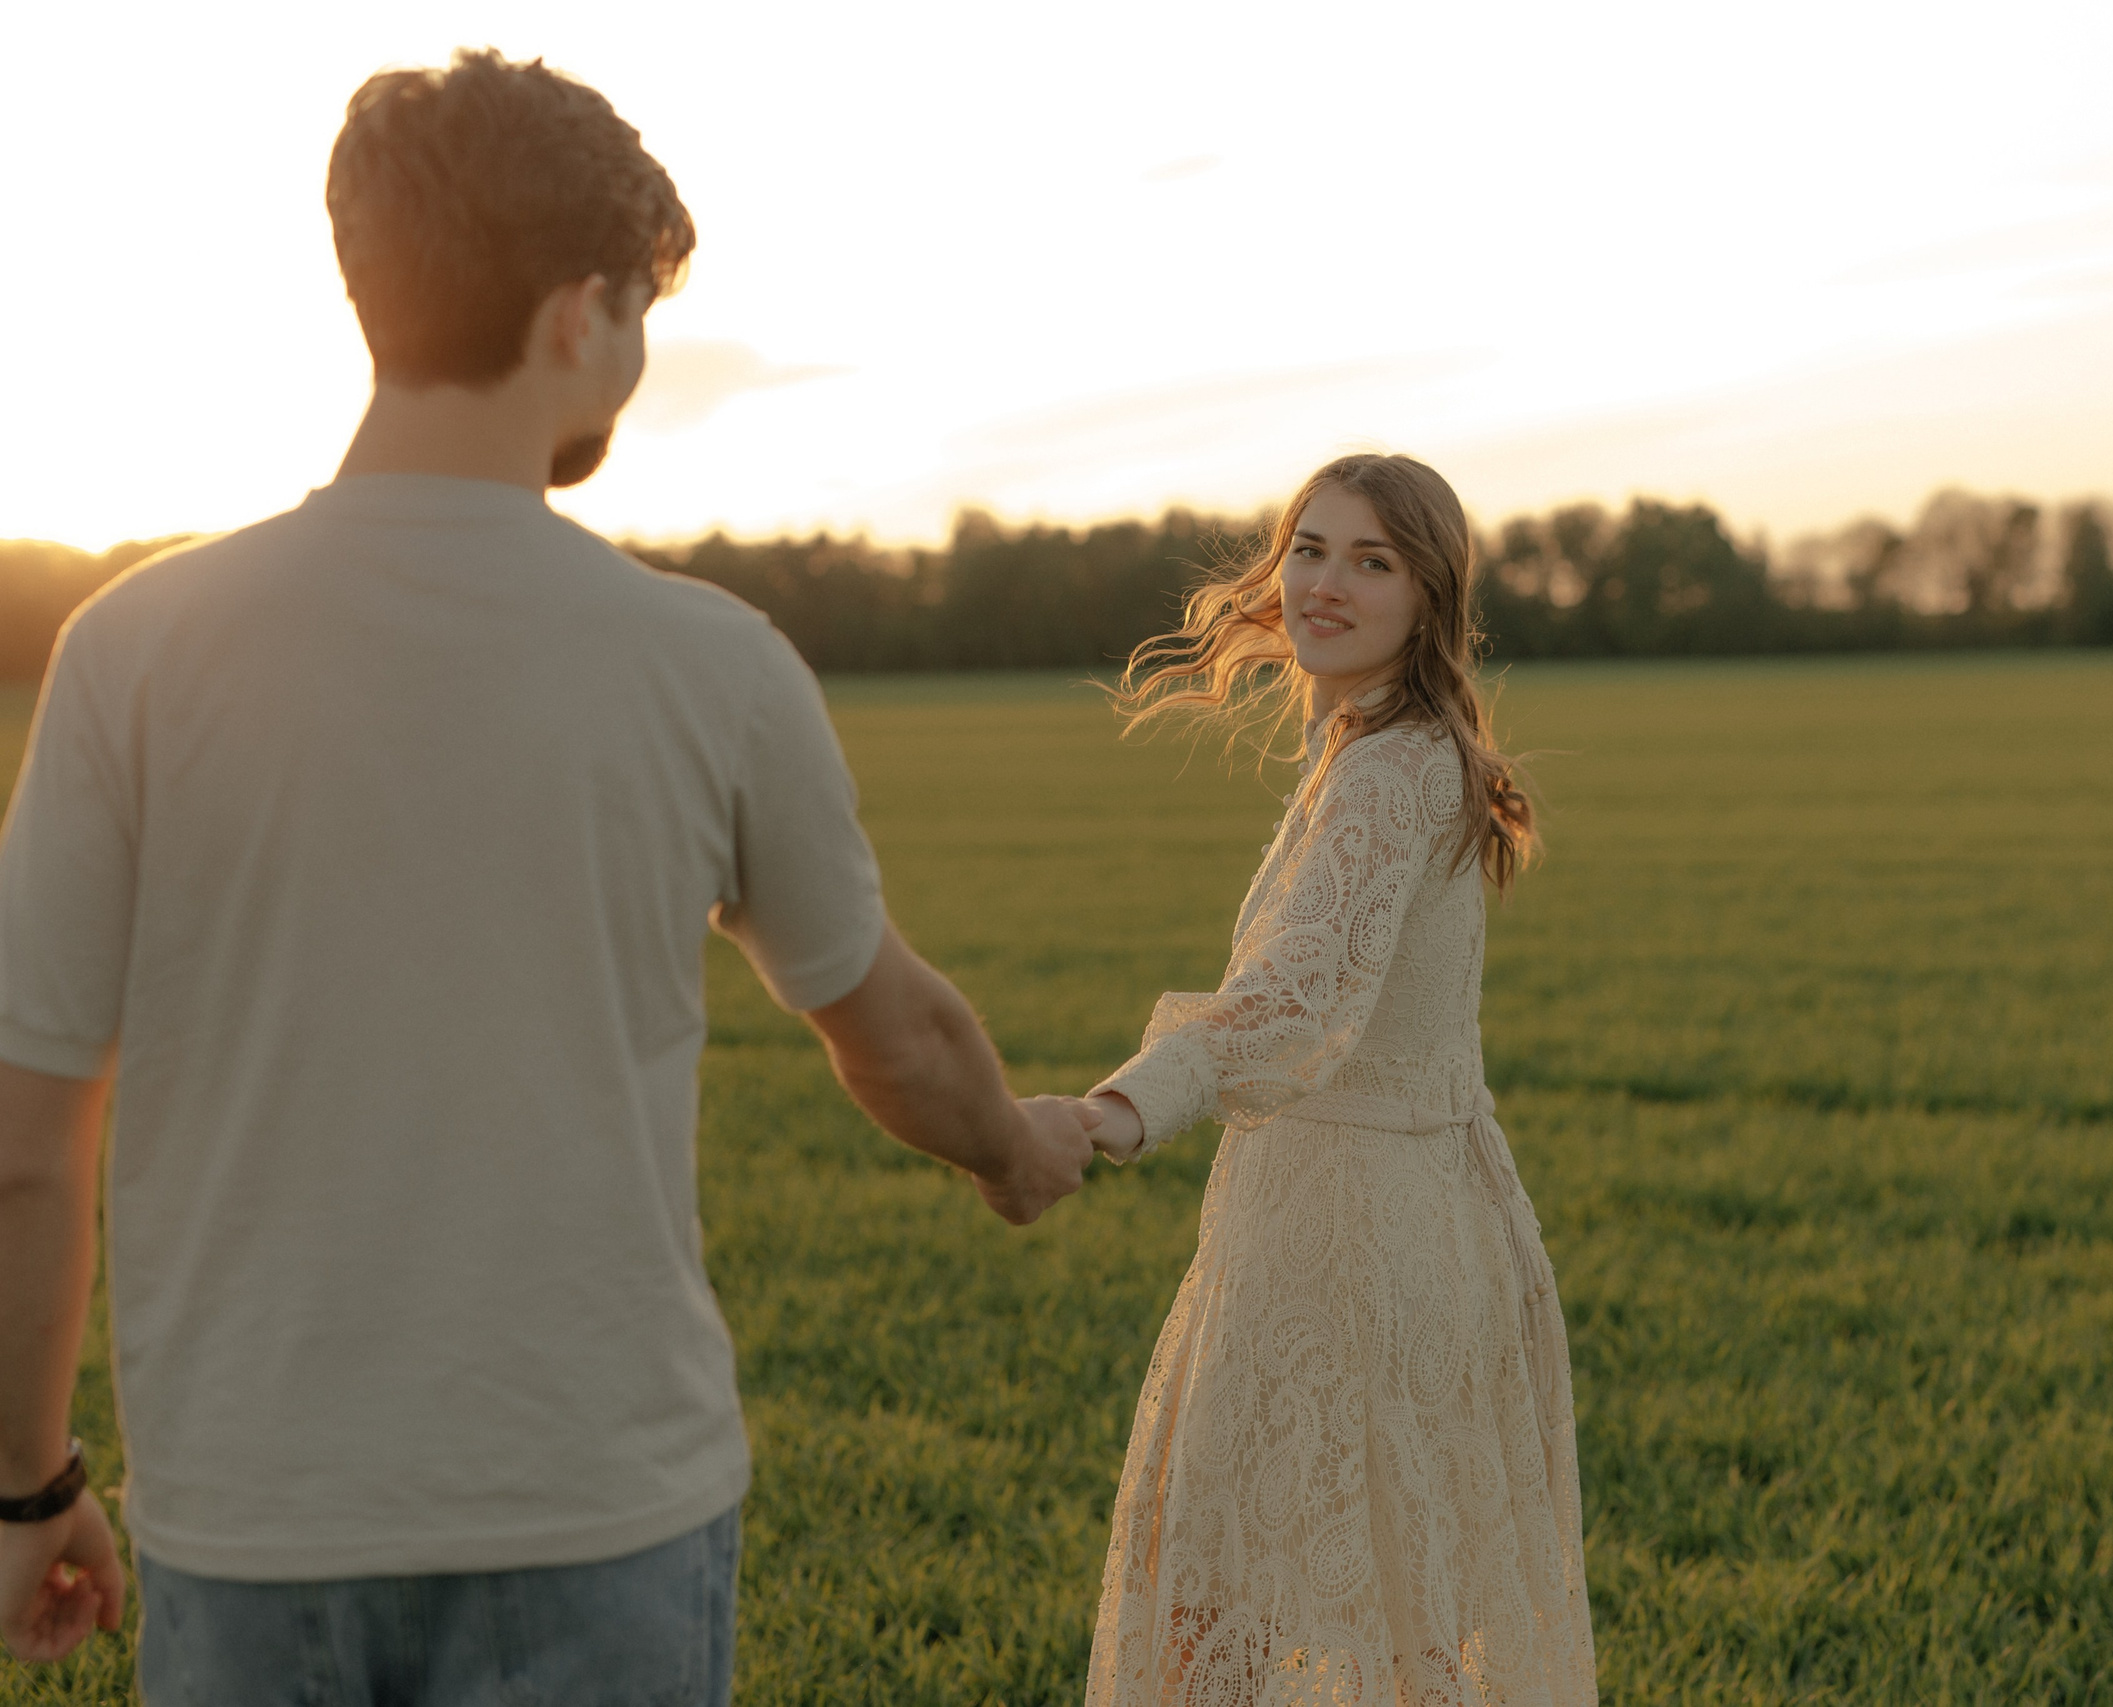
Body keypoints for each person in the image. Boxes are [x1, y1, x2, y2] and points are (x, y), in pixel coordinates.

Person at [0, 48, 1095, 1698]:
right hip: (601, 1516)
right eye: (642, 311)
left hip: (251, 1528)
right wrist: (1018, 1149)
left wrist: (26, 1482)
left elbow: (24, 1144)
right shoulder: (711, 665)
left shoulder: (131, 652)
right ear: (581, 316)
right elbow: (897, 1033)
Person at [1074, 453, 1597, 1703]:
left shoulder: (1389, 768)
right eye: (1309, 548)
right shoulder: (1391, 750)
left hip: (1346, 1242)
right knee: (1394, 1602)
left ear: (1430, 597)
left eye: (1373, 561)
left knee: (1228, 1603)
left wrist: (1117, 1108)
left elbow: (1295, 1000)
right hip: (1405, 1220)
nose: (1324, 582)